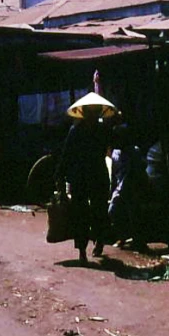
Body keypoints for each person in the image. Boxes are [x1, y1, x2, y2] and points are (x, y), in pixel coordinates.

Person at [55, 92, 115, 264]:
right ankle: (83, 249)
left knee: (98, 211)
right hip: (84, 176)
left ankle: (98, 241)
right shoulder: (80, 131)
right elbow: (66, 155)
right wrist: (60, 175)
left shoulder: (95, 130)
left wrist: (60, 174)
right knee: (82, 213)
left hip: (92, 175)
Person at [108, 124, 149, 251]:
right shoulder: (115, 153)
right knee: (113, 211)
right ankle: (123, 236)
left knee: (134, 215)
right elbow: (114, 173)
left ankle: (138, 240)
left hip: (132, 187)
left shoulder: (134, 151)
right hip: (120, 187)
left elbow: (139, 170)